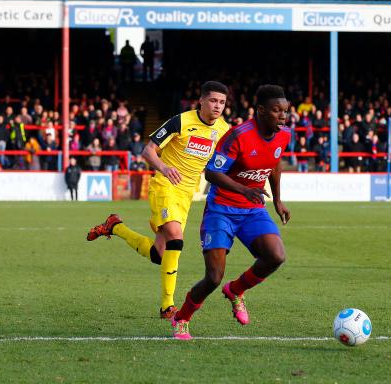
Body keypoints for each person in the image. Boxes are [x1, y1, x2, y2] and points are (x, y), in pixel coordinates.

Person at [86, 81, 230, 320]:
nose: (217, 106)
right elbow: (148, 150)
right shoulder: (180, 121)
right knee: (176, 237)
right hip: (165, 186)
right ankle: (167, 307)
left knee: (159, 255)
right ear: (202, 101)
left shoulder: (224, 130)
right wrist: (164, 167)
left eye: (222, 102)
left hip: (186, 195)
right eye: (213, 100)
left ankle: (115, 226)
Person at [170, 84, 291, 340]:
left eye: (285, 111)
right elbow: (212, 172)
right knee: (213, 277)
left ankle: (236, 290)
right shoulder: (238, 135)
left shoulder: (284, 135)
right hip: (221, 209)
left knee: (276, 256)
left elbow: (275, 164)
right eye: (276, 110)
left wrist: (278, 201)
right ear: (260, 110)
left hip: (252, 210)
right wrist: (243, 189)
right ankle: (181, 318)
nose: (283, 116)